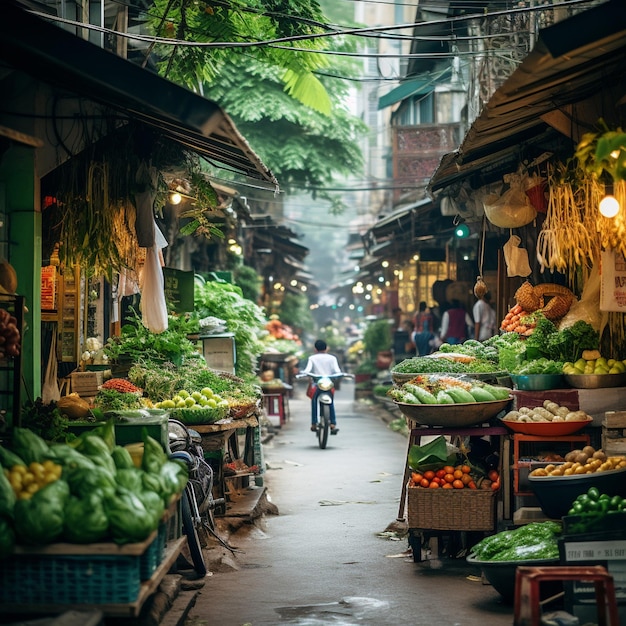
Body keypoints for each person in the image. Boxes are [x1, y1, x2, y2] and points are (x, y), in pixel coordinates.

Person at [300, 339, 342, 434]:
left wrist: (303, 374)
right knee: (331, 402)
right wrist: (339, 374)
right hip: (329, 383)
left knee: (314, 400)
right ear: (326, 348)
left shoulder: (312, 358)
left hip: (317, 384)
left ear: (315, 349)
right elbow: (337, 371)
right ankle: (333, 423)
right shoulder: (332, 358)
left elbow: (307, 370)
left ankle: (314, 423)